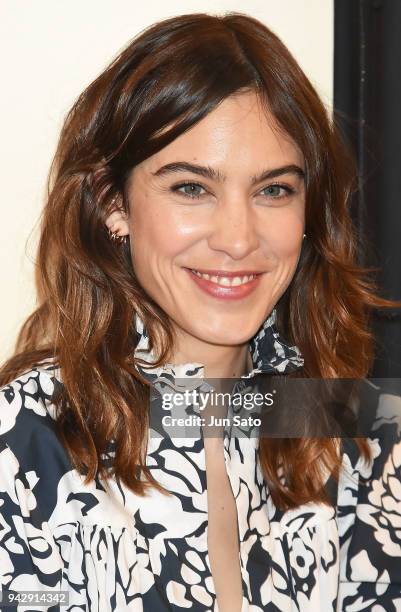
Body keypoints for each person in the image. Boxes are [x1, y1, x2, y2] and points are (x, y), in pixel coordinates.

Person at [0, 11, 400, 612]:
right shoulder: (24, 438)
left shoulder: (361, 431)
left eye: (274, 190)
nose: (238, 239)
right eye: (191, 187)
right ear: (113, 204)